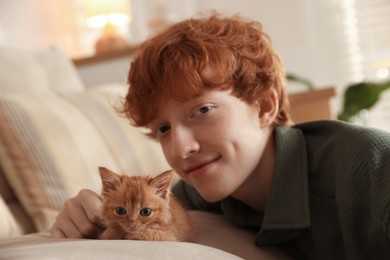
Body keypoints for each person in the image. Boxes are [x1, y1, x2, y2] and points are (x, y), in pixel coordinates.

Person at [50, 13, 390, 259]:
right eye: (163, 129)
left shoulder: (371, 172)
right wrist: (89, 219)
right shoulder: (195, 197)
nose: (181, 149)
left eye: (202, 110)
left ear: (263, 106)